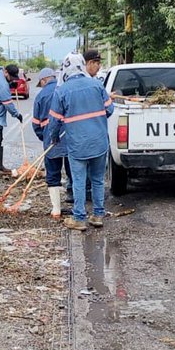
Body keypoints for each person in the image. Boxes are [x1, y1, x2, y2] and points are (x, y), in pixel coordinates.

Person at [45, 49, 114, 230]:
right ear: (82, 65)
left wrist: (54, 139)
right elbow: (110, 110)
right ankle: (98, 215)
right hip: (100, 142)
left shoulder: (62, 91)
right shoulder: (97, 85)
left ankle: (79, 218)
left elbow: (54, 122)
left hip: (78, 145)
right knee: (98, 180)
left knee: (79, 180)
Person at [32, 68, 71, 218]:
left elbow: (36, 123)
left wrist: (44, 138)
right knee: (73, 171)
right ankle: (76, 203)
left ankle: (56, 209)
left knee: (53, 174)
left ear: (43, 80)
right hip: (69, 139)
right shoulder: (65, 90)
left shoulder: (41, 96)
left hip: (51, 141)